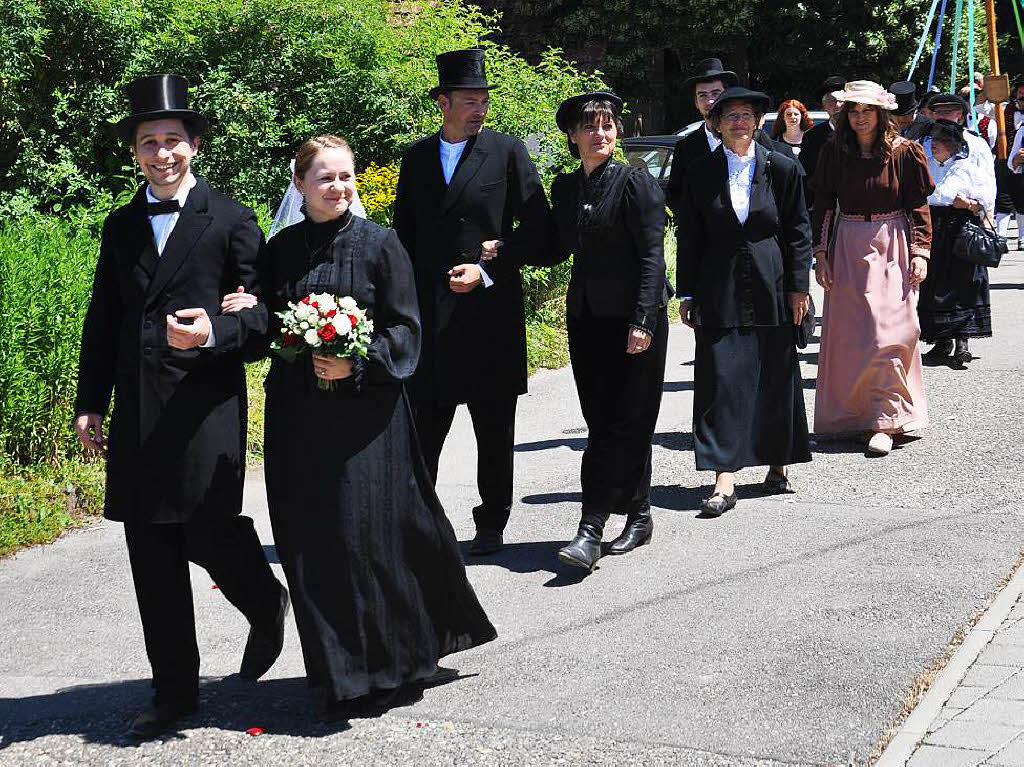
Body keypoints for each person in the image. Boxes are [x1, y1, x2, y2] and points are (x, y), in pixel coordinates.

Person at [230, 134, 496, 721]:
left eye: (345, 176)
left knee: (368, 540)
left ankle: (392, 664)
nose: (338, 188)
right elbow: (265, 322)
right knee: (310, 539)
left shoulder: (382, 246)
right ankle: (338, 674)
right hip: (299, 419)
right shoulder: (281, 249)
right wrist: (243, 314)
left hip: (369, 419)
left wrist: (358, 360)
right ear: (299, 186)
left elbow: (406, 332)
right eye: (324, 178)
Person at [73, 75, 288, 739]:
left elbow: (263, 322)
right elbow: (102, 318)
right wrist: (90, 400)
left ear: (194, 145)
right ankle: (174, 691)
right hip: (139, 407)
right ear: (135, 152)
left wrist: (216, 333)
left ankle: (263, 597)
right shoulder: (120, 225)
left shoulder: (231, 219)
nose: (162, 153)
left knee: (207, 529)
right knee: (152, 550)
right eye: (149, 143)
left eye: (173, 141)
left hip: (204, 406)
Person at [392, 49, 552, 556]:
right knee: (423, 431)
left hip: (488, 317)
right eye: (468, 100)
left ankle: (492, 523)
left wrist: (491, 265)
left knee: (493, 430)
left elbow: (544, 233)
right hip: (430, 319)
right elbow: (404, 236)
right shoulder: (416, 159)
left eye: (483, 99)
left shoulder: (507, 153)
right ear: (443, 102)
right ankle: (419, 523)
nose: (479, 108)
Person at [511, 92, 672, 570]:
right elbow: (556, 247)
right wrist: (507, 248)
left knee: (629, 422)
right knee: (604, 423)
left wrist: (643, 320)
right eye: (590, 127)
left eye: (607, 125)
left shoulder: (635, 182)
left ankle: (593, 527)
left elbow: (651, 255)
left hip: (635, 321)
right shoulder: (566, 188)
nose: (600, 134)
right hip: (586, 319)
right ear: (572, 135)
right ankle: (639, 514)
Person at [676, 87, 813, 515]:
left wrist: (799, 289)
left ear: (757, 121)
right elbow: (691, 235)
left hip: (772, 281)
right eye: (729, 115)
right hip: (719, 284)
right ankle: (724, 478)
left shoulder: (783, 168)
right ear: (716, 123)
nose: (738, 121)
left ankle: (778, 464)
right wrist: (688, 291)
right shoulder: (700, 171)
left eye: (746, 114)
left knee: (775, 372)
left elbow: (798, 231)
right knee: (721, 377)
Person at [810, 81, 935, 456]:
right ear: (845, 115)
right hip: (848, 242)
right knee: (854, 337)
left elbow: (918, 204)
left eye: (867, 110)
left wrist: (921, 251)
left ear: (881, 114)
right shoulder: (834, 152)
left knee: (892, 332)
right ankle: (856, 416)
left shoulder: (904, 152)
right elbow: (824, 204)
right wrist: (821, 254)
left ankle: (887, 418)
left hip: (892, 240)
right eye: (853, 110)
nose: (860, 117)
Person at [919, 119, 994, 366]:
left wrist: (969, 204)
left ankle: (963, 341)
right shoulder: (926, 165)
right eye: (933, 142)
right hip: (934, 229)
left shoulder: (967, 168)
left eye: (940, 142)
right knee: (935, 282)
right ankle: (942, 341)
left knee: (963, 283)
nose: (935, 146)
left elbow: (983, 202)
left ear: (953, 146)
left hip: (959, 228)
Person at [664, 58, 738, 216]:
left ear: (727, 96)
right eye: (702, 95)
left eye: (716, 93)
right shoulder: (685, 148)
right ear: (696, 103)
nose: (710, 100)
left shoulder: (747, 139)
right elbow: (675, 196)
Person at [800, 75, 846, 209]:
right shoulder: (812, 137)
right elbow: (806, 174)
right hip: (823, 205)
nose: (837, 105)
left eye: (841, 101)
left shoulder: (859, 133)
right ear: (824, 105)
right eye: (832, 101)